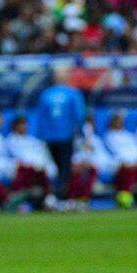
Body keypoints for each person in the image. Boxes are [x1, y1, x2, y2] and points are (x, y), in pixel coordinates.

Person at [34, 68, 86, 198]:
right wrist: (81, 134)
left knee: (57, 167)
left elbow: (40, 117)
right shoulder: (73, 93)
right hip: (65, 136)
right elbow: (79, 115)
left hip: (49, 137)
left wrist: (39, 136)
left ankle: (57, 195)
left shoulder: (46, 94)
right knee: (64, 168)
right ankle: (57, 196)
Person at [5, 115, 58, 210]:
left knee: (43, 173)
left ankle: (48, 200)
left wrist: (41, 165)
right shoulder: (11, 140)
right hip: (22, 169)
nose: (24, 127)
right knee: (26, 171)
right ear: (15, 126)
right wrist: (34, 165)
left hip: (36, 170)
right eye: (21, 125)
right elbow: (19, 156)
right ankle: (17, 200)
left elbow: (41, 155)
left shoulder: (32, 140)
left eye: (25, 125)